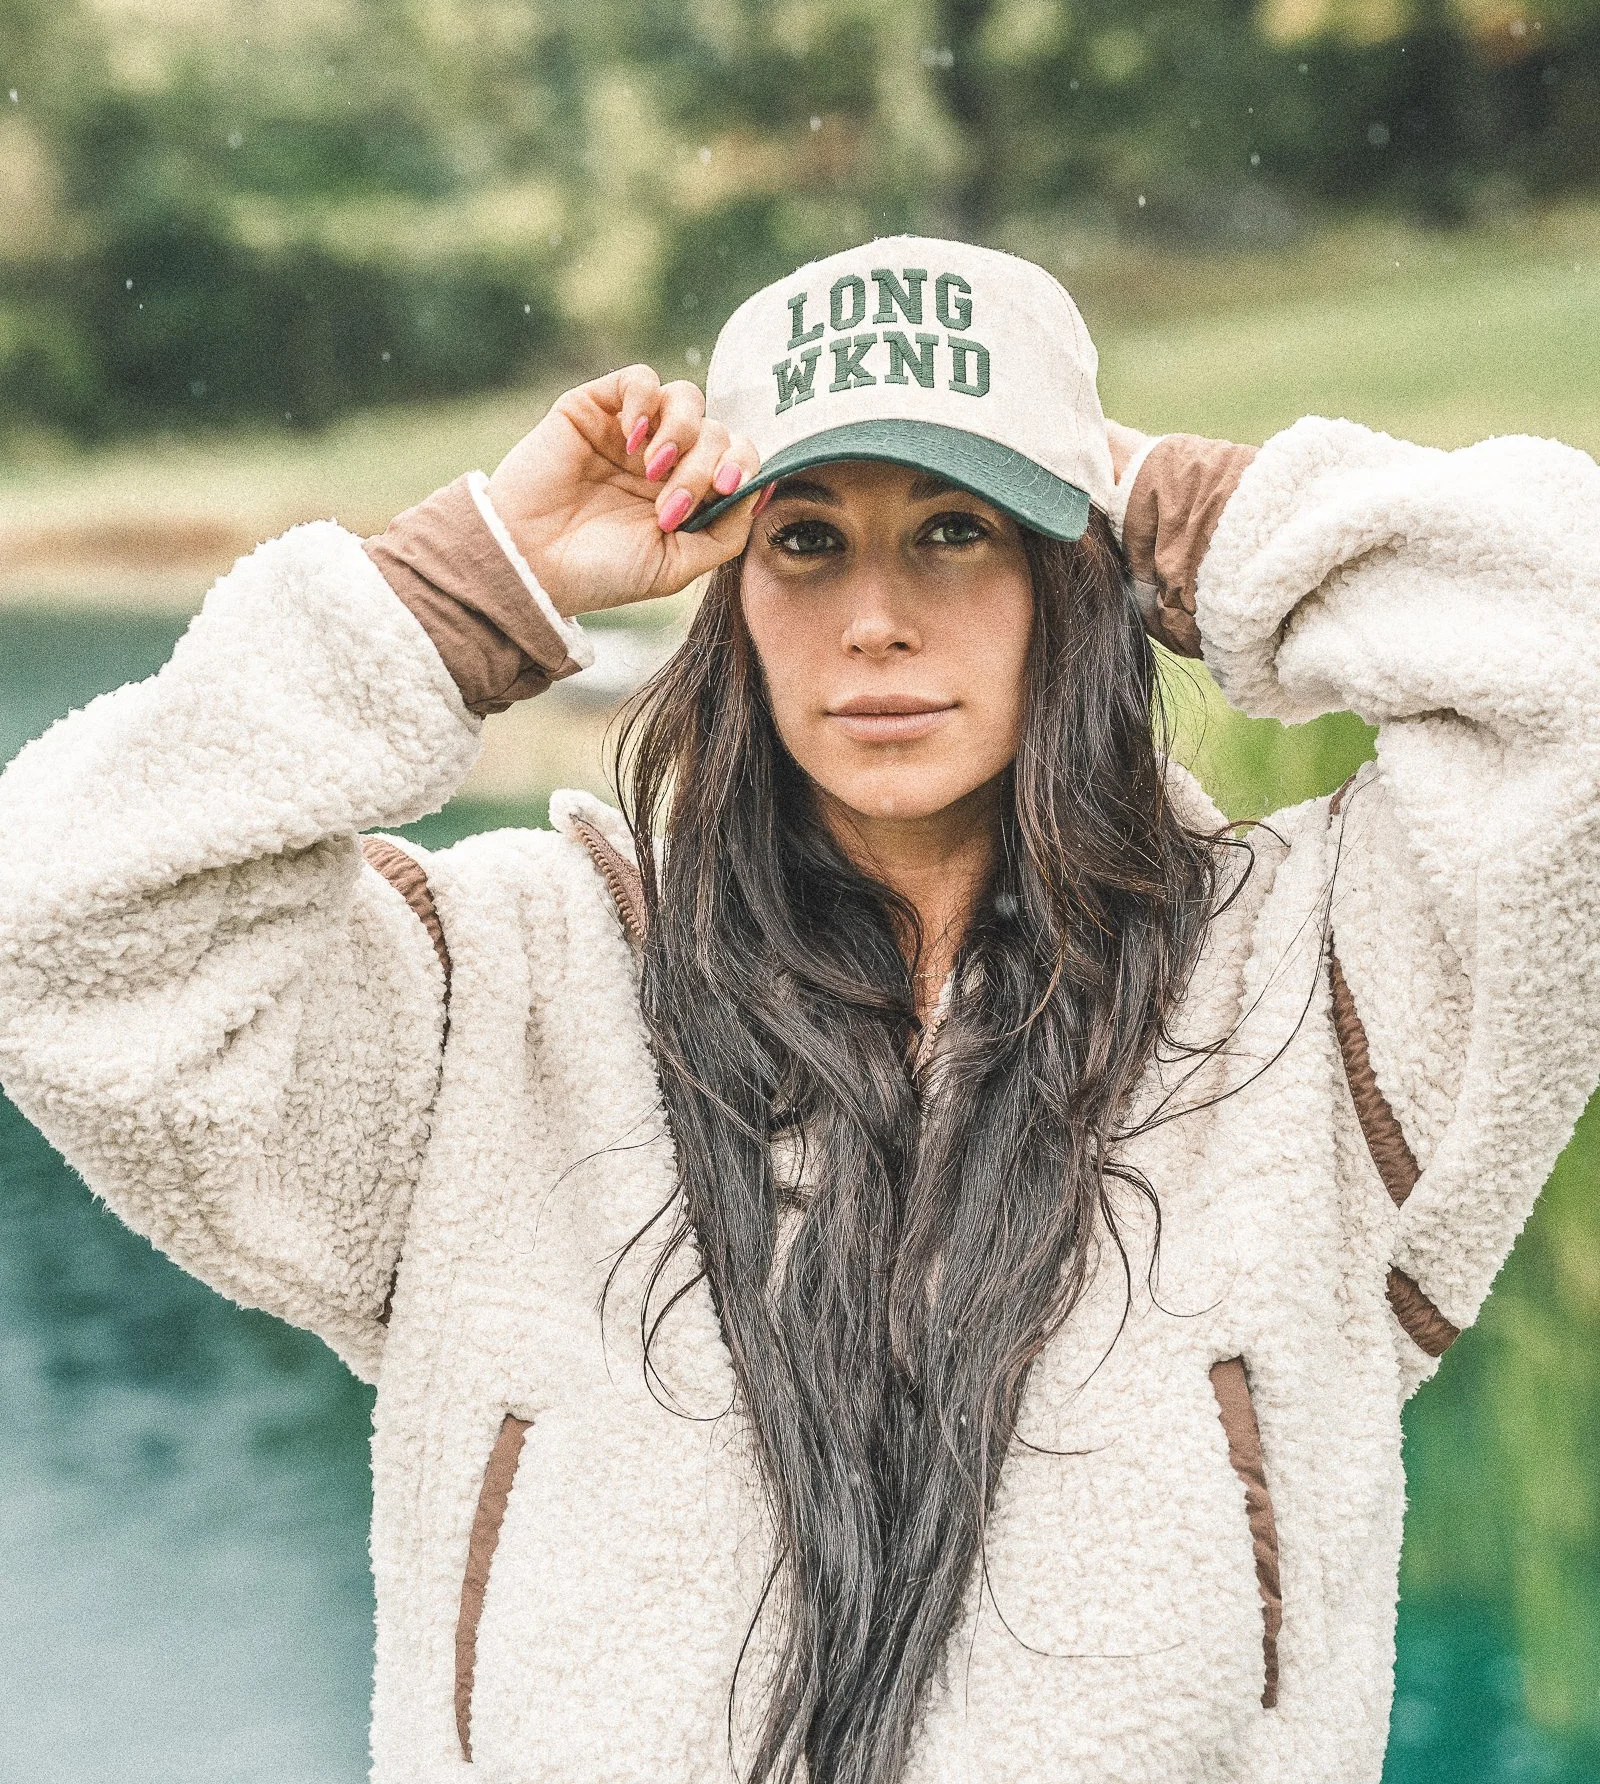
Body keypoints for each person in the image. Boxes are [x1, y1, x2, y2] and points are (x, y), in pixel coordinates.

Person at [0, 234, 1595, 1784]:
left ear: (1073, 576)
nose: (875, 615)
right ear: (727, 588)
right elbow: (58, 929)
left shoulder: (1311, 989)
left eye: (958, 529)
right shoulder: (504, 995)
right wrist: (471, 586)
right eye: (808, 540)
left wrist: (1184, 513)